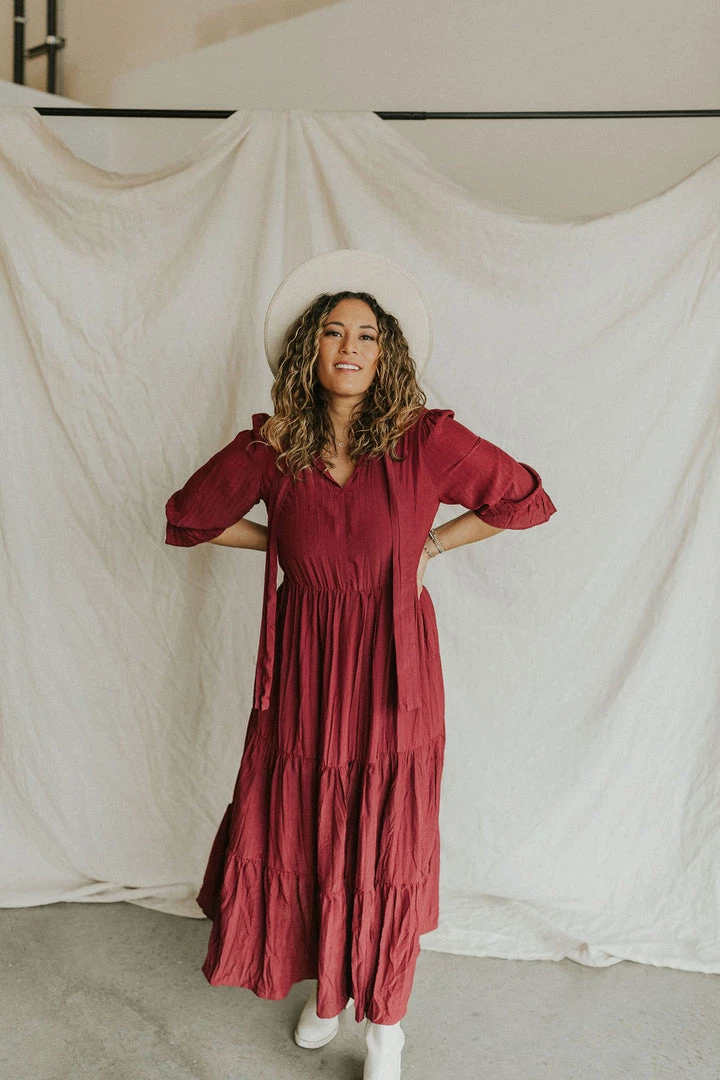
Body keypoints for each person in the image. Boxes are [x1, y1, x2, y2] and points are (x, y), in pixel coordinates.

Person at [164, 249, 557, 1079]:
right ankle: (329, 991)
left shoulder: (426, 440)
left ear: (387, 353)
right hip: (305, 668)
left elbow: (523, 498)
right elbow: (190, 517)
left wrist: (432, 547)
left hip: (393, 671)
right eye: (334, 332)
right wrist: (282, 544)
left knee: (383, 836)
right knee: (309, 825)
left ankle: (386, 1021)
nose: (350, 347)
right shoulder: (274, 445)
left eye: (367, 335)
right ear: (307, 347)